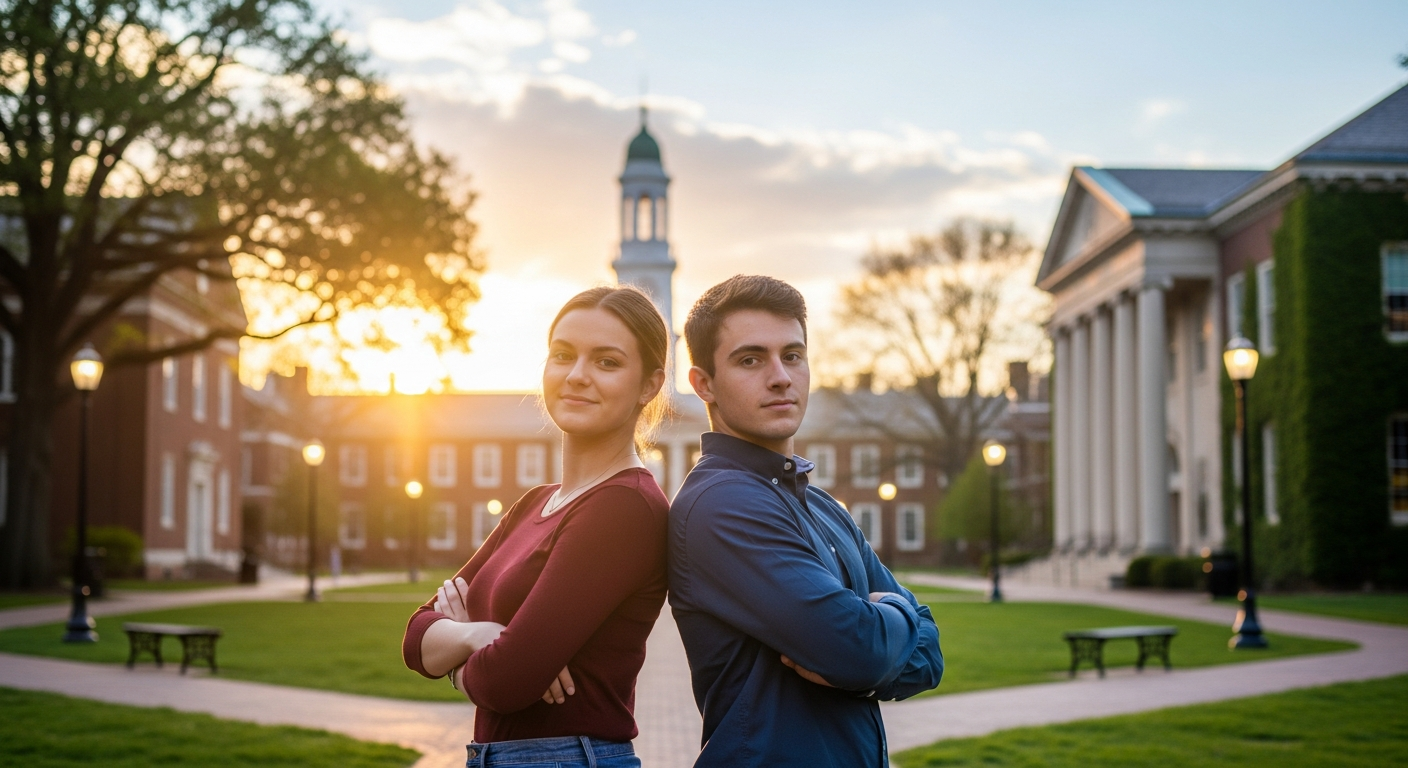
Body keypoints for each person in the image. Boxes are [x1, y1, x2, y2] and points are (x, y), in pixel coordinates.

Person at [668, 275, 943, 768]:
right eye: (751, 359)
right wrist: (901, 619)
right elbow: (856, 651)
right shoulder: (721, 504)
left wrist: (878, 642)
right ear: (703, 383)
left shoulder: (824, 508)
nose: (780, 377)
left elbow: (930, 661)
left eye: (792, 356)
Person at [402, 285, 671, 768]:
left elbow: (505, 682)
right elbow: (415, 637)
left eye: (607, 362)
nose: (577, 376)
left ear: (649, 384)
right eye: (563, 355)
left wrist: (466, 645)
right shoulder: (536, 503)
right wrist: (480, 636)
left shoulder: (625, 508)